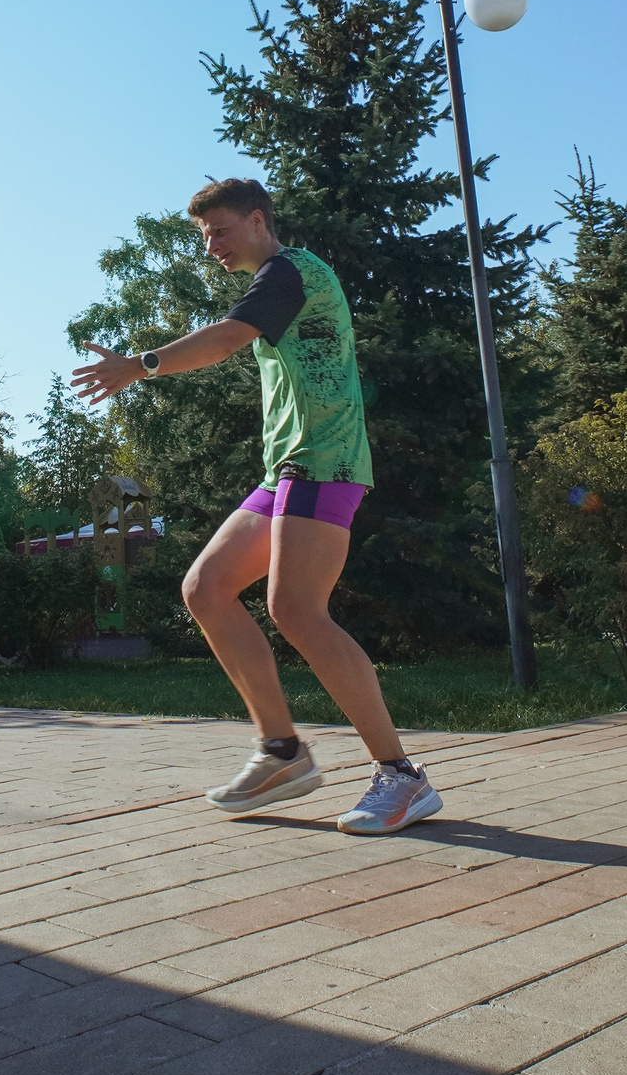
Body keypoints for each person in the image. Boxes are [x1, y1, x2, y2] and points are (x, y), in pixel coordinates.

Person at [72, 178, 438, 835]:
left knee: (295, 608)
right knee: (207, 587)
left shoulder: (289, 270)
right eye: (203, 234)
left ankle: (401, 776)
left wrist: (141, 364)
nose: (209, 244)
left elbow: (226, 338)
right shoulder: (277, 280)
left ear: (259, 219)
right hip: (287, 471)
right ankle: (282, 751)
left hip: (325, 462)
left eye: (219, 229)